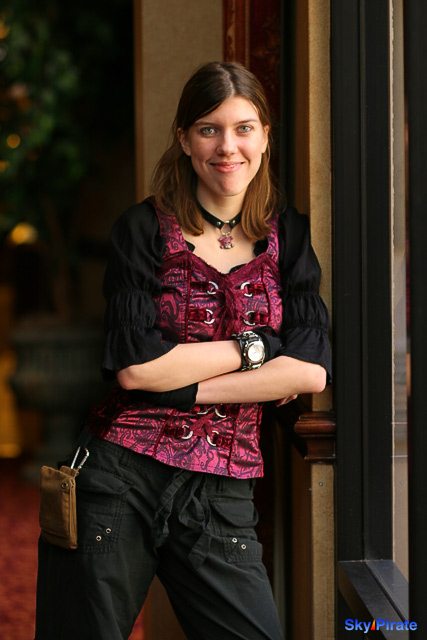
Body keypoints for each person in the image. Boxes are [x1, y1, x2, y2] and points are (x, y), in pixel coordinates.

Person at [35, 61, 331, 640]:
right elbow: (136, 368)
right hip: (120, 477)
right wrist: (257, 349)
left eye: (244, 128)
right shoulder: (142, 229)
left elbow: (309, 372)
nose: (228, 147)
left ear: (265, 137)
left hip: (223, 490)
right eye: (208, 129)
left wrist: (179, 385)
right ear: (184, 139)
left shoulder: (289, 237)